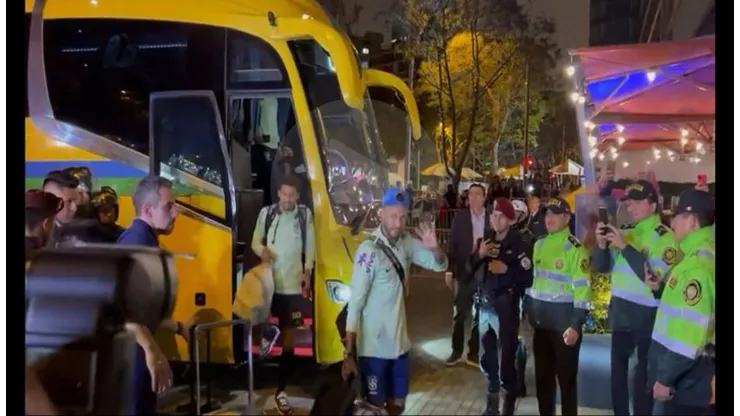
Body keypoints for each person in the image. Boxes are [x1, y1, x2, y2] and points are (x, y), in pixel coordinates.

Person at [342, 187, 448, 415]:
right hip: (373, 349)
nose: (397, 224)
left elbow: (441, 265)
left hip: (400, 345)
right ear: (381, 213)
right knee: (374, 407)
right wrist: (348, 354)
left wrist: (435, 247)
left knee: (397, 405)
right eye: (392, 216)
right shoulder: (368, 250)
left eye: (402, 217)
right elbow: (356, 303)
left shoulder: (407, 243)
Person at [593, 179, 679, 416]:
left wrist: (623, 246)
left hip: (646, 317)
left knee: (642, 380)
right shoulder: (625, 231)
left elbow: (653, 278)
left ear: (653, 205)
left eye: (638, 202)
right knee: (617, 379)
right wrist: (601, 246)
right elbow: (601, 267)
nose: (631, 207)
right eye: (628, 203)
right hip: (620, 313)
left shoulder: (664, 236)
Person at [117, 176, 190, 415]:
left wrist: (177, 326)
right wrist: (152, 351)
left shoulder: (144, 238)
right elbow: (122, 304)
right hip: (132, 360)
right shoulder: (138, 242)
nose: (176, 212)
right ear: (147, 209)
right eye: (169, 206)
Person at [645, 189, 715, 415]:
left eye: (676, 217)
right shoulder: (696, 259)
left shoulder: (696, 268)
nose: (671, 221)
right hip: (687, 378)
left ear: (693, 221)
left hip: (685, 383)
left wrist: (665, 378)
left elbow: (689, 335)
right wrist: (660, 290)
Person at [251, 174, 316, 415]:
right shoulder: (266, 214)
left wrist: (307, 273)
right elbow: (255, 242)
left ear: (297, 196)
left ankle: (281, 389)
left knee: (289, 337)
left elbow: (310, 246)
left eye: (292, 195)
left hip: (292, 286)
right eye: (284, 194)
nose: (287, 199)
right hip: (269, 283)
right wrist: (263, 251)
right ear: (278, 193)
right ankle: (267, 339)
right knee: (266, 328)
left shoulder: (304, 215)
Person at [524, 197, 593, 416]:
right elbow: (533, 283)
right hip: (541, 328)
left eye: (555, 214)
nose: (549, 218)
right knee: (543, 383)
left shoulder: (574, 249)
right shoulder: (540, 244)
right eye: (547, 214)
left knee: (567, 384)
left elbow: (583, 291)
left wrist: (575, 325)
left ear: (566, 218)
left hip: (565, 330)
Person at [468, 198, 533, 415]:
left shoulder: (520, 244)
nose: (496, 220)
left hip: (507, 308)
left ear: (511, 220)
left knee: (507, 360)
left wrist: (507, 271)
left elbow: (528, 277)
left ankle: (507, 404)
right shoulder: (486, 239)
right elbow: (468, 269)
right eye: (494, 215)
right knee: (486, 358)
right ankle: (491, 402)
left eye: (501, 217)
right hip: (485, 306)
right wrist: (479, 255)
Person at [445, 183, 487, 366]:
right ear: (467, 198)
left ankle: (474, 352)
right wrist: (449, 269)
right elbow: (452, 244)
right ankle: (456, 350)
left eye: (478, 194)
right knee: (460, 312)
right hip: (463, 268)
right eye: (471, 194)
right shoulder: (460, 217)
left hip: (483, 269)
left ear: (484, 197)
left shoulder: (492, 216)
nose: (475, 198)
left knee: (480, 313)